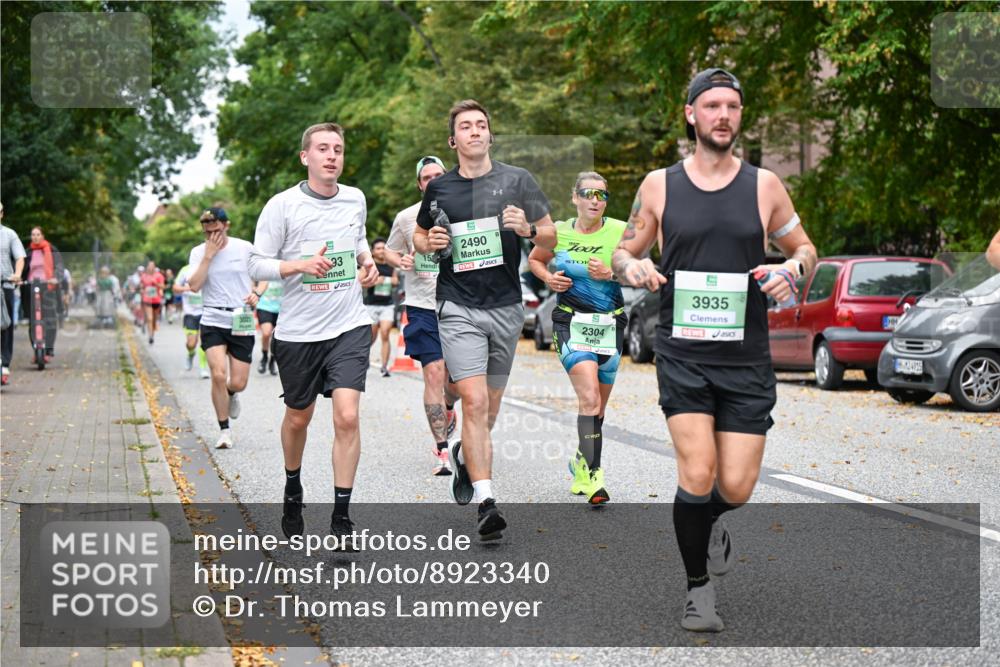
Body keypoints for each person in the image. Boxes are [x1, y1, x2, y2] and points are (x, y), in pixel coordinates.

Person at [611, 68, 818, 632]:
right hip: (683, 353)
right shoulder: (659, 185)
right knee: (697, 471)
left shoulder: (764, 186)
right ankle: (698, 590)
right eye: (712, 106)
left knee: (737, 486)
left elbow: (804, 249)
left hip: (747, 356)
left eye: (731, 106)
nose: (723, 115)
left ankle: (710, 521)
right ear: (691, 115)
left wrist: (791, 270)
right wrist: (635, 265)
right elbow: (621, 255)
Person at [413, 100, 556, 541]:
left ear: (490, 135)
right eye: (465, 127)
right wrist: (429, 240)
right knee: (474, 402)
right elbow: (420, 235)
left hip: (506, 307)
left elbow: (551, 233)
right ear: (453, 140)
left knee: (487, 410)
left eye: (481, 125)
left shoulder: (518, 180)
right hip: (457, 305)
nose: (475, 131)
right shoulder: (440, 189)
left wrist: (528, 230)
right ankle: (486, 500)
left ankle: (462, 452)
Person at [248, 122, 380, 544]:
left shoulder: (355, 198)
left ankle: (341, 516)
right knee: (299, 416)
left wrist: (367, 262)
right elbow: (256, 265)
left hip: (348, 326)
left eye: (338, 149)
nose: (332, 156)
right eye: (322, 149)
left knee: (346, 415)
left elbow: (358, 239)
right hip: (299, 333)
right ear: (305, 157)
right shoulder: (282, 206)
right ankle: (293, 486)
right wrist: (297, 266)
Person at [528, 172, 627, 505]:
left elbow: (643, 267)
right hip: (571, 322)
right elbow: (535, 260)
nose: (595, 200)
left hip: (611, 324)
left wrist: (612, 273)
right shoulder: (559, 231)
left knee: (599, 408)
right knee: (589, 400)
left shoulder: (622, 231)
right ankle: (594, 476)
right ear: (575, 198)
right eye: (588, 193)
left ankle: (582, 460)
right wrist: (549, 279)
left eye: (602, 195)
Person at [385, 155, 461, 475]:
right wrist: (398, 261)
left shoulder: (462, 212)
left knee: (454, 383)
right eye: (426, 177)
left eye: (438, 175)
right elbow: (390, 249)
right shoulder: (406, 218)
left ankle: (448, 406)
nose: (432, 180)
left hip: (458, 304)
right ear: (419, 184)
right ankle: (442, 451)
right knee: (433, 371)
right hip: (421, 306)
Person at [187, 207, 265, 449]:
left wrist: (256, 293)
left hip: (240, 318)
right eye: (207, 232)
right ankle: (224, 430)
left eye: (216, 231)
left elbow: (264, 274)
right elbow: (194, 286)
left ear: (226, 226)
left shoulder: (244, 247)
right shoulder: (198, 252)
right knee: (218, 374)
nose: (212, 237)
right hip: (213, 318)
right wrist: (208, 256)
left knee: (238, 382)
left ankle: (232, 394)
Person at [21, 226, 65, 361]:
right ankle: (36, 349)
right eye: (33, 235)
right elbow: (22, 268)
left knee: (50, 319)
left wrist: (56, 277)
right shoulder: (28, 252)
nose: (35, 237)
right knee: (33, 320)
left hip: (48, 286)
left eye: (38, 234)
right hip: (31, 286)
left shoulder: (51, 250)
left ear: (43, 235)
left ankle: (48, 349)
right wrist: (19, 279)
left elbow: (59, 266)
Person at [363, 237, 398, 376]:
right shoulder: (369, 265)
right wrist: (374, 281)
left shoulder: (391, 265)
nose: (381, 250)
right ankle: (363, 359)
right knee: (371, 336)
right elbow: (362, 282)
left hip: (387, 305)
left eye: (384, 248)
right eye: (378, 248)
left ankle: (384, 367)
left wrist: (387, 280)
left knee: (385, 333)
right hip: (371, 304)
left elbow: (396, 280)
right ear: (372, 251)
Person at [1, 203, 26, 386]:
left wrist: (17, 274)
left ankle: (5, 362)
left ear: (2, 214)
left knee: (6, 324)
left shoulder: (10, 234)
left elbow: (19, 257)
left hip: (5, 285)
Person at [173, 262, 210, 378]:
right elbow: (175, 287)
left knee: (203, 341)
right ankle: (190, 354)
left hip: (205, 312)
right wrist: (188, 288)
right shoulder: (185, 270)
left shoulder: (208, 268)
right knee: (191, 343)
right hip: (190, 313)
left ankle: (203, 368)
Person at [255, 279, 283, 376]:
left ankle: (272, 360)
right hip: (264, 307)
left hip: (281, 308)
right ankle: (264, 357)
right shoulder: (264, 267)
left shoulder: (287, 266)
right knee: (266, 333)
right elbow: (252, 282)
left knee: (276, 337)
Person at [140, 261, 165, 344]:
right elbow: (142, 286)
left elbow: (163, 286)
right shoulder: (144, 276)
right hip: (147, 299)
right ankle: (150, 336)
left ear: (154, 267)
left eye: (152, 266)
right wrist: (142, 289)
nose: (150, 267)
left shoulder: (159, 276)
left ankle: (152, 334)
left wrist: (156, 283)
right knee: (150, 318)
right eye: (149, 266)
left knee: (154, 319)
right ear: (147, 267)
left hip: (156, 300)